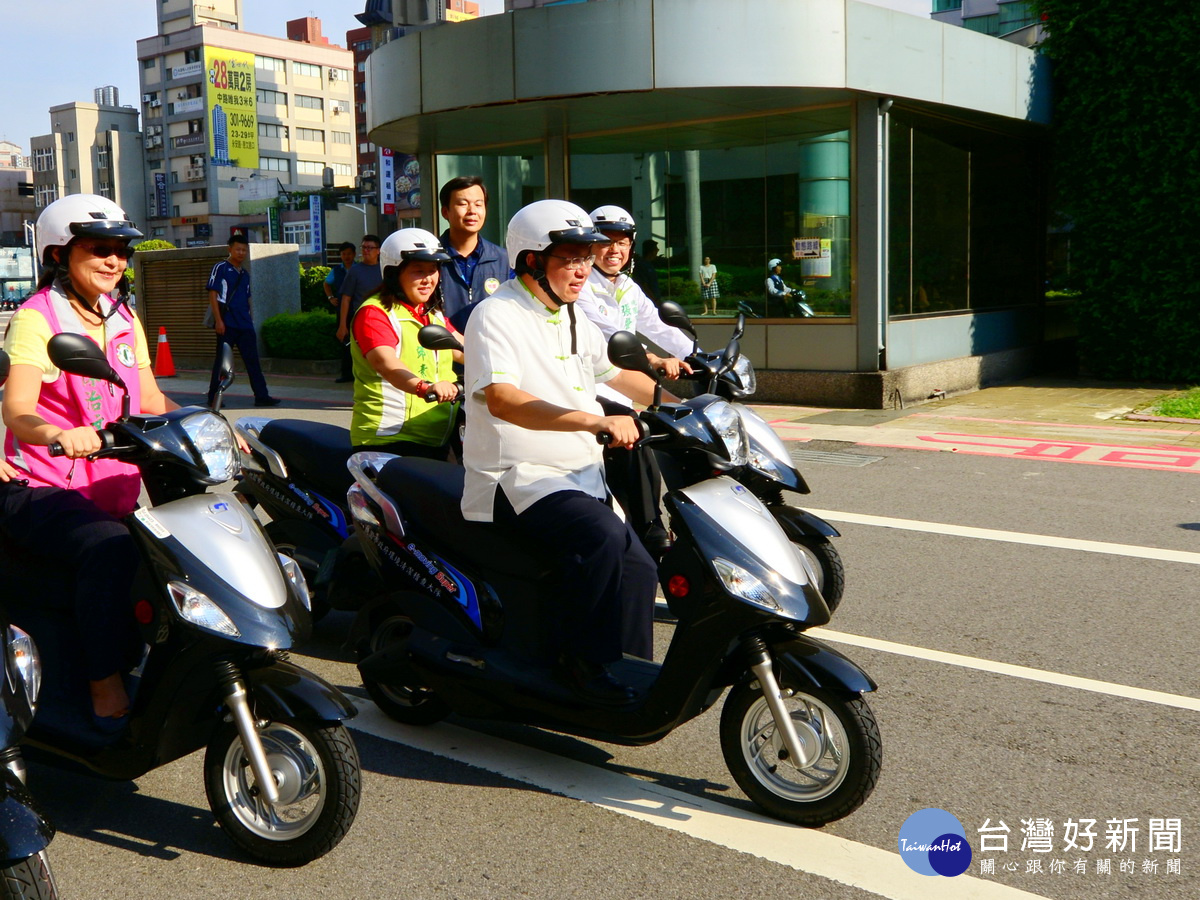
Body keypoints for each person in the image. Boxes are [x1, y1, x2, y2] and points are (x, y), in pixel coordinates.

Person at [461, 199, 661, 705]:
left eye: (586, 256)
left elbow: (615, 375)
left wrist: (688, 404)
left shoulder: (572, 318)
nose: (582, 268)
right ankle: (580, 666)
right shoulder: (495, 315)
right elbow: (503, 399)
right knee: (602, 537)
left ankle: (627, 668)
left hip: (577, 472)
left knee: (640, 565)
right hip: (517, 476)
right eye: (569, 257)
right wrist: (597, 419)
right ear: (531, 261)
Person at [0, 194, 179, 724]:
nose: (114, 261)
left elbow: (147, 398)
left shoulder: (123, 314)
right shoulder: (39, 319)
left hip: (110, 488)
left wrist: (203, 426)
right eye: (99, 249)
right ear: (59, 253)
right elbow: (16, 409)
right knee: (111, 550)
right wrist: (59, 433)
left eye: (122, 251)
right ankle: (103, 686)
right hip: (42, 487)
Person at [576, 205, 693, 558]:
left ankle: (648, 529)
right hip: (591, 391)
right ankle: (649, 531)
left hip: (624, 387)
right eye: (606, 242)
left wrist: (699, 356)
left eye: (623, 242)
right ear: (591, 245)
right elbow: (608, 335)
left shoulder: (627, 285)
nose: (615, 250)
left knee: (659, 431)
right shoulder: (581, 286)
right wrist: (654, 359)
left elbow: (658, 325)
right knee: (637, 445)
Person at [349, 228, 462, 459]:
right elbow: (385, 363)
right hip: (389, 440)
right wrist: (426, 387)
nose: (428, 279)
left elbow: (464, 349)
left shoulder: (431, 313)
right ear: (393, 273)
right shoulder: (375, 313)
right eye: (418, 271)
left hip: (433, 436)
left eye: (433, 270)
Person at [206, 234, 279, 408]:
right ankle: (214, 397)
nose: (241, 252)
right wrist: (218, 321)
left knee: (253, 361)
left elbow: (247, 298)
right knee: (221, 362)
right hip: (227, 322)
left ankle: (262, 396)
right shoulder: (221, 267)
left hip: (245, 324)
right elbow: (213, 294)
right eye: (238, 249)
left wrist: (251, 318)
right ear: (229, 249)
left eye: (244, 250)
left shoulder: (245, 274)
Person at [437, 175, 511, 333]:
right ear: (445, 212)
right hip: (444, 352)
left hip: (490, 351)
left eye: (479, 204)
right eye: (463, 204)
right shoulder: (431, 259)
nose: (472, 211)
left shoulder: (504, 260)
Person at [336, 234, 382, 347]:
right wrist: (342, 325)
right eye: (363, 247)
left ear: (378, 251)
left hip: (382, 318)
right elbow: (346, 299)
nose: (366, 250)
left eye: (370, 248)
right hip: (361, 319)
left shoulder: (385, 269)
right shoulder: (355, 271)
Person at [325, 240, 357, 383]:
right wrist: (330, 297)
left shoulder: (359, 268)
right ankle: (346, 374)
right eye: (344, 254)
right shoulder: (336, 270)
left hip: (358, 309)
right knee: (344, 342)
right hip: (342, 311)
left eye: (349, 254)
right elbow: (326, 283)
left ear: (354, 254)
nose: (346, 256)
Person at [630, 238, 661, 304]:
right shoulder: (642, 265)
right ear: (650, 251)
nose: (658, 250)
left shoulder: (649, 265)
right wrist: (654, 300)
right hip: (648, 301)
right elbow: (644, 286)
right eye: (655, 249)